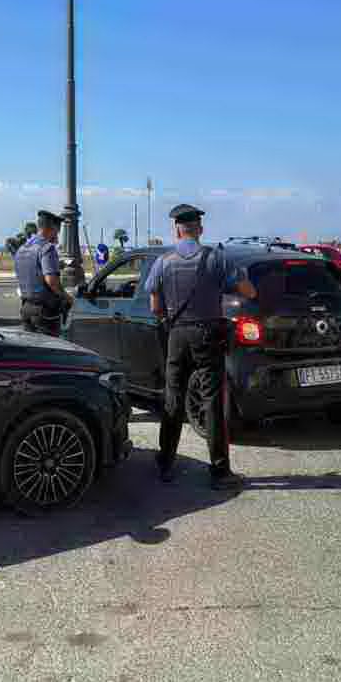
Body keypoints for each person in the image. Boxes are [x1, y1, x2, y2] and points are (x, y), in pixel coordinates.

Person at [144, 204, 258, 490]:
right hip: (207, 334)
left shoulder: (163, 261)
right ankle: (220, 472)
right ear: (200, 229)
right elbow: (249, 292)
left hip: (177, 335)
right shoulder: (216, 258)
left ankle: (166, 463)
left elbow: (155, 306)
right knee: (212, 402)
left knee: (173, 398)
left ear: (176, 230)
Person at [14, 210, 72, 336]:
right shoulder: (47, 248)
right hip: (44, 311)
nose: (56, 238)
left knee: (33, 351)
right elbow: (51, 281)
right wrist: (67, 297)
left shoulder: (22, 249)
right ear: (52, 229)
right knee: (51, 351)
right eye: (57, 232)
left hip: (26, 308)